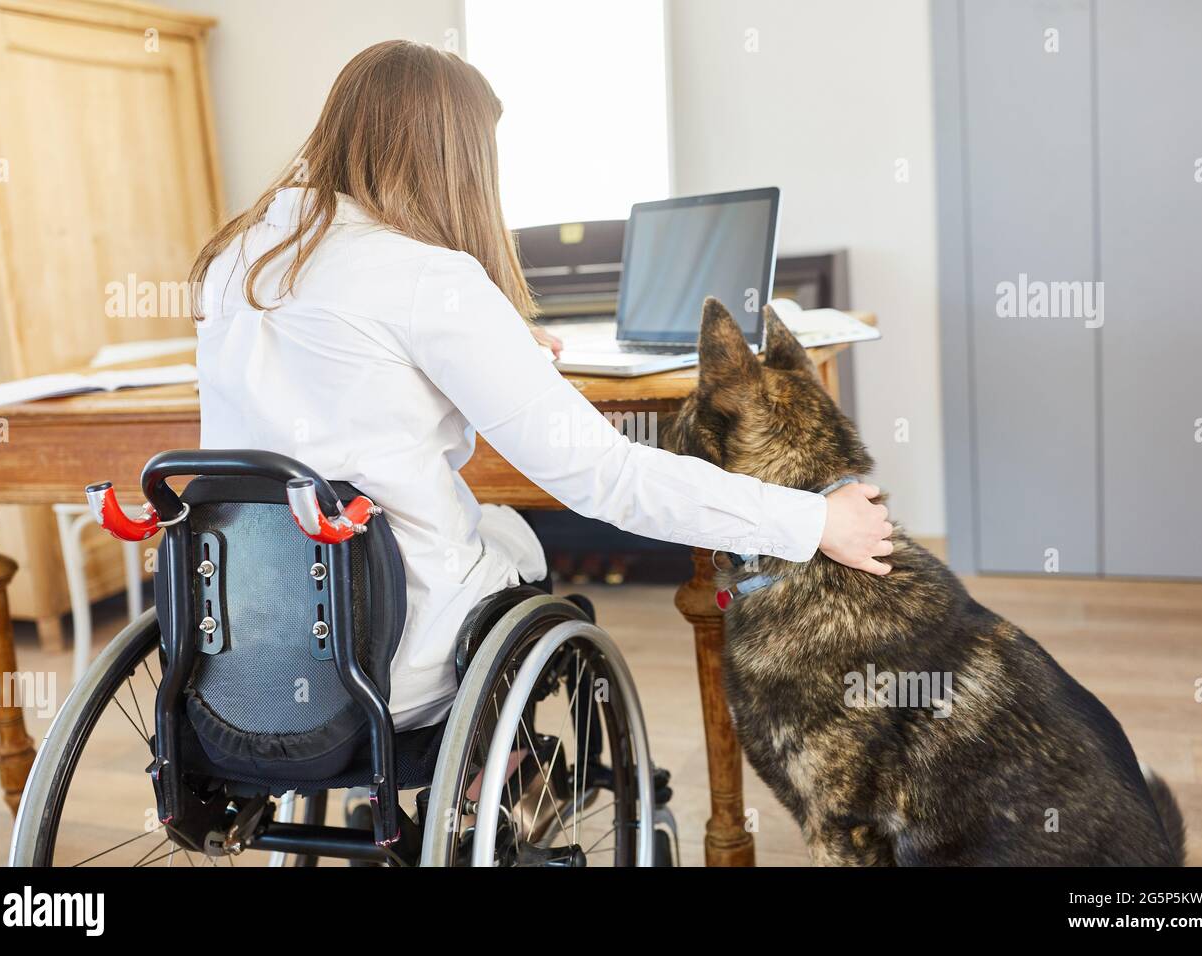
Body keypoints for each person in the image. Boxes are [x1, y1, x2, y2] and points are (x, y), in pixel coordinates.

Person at [189, 40, 893, 730]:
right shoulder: (426, 278)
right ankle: (494, 775)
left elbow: (341, 356)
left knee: (490, 531)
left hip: (243, 653)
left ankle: (477, 779)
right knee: (515, 539)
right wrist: (814, 521)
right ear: (453, 159)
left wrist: (487, 344)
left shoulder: (236, 259)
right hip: (386, 656)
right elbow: (604, 477)